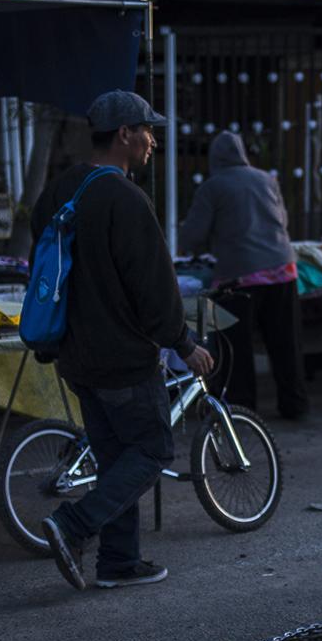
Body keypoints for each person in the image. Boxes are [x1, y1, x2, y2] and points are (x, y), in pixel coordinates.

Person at [34, 90, 216, 592]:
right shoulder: (126, 200)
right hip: (122, 358)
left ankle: (118, 560)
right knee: (153, 449)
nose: (153, 141)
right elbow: (154, 288)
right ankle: (74, 524)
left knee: (117, 458)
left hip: (75, 356)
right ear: (124, 135)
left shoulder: (59, 191)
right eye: (147, 131)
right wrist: (183, 342)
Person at [178, 131, 308, 420]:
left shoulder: (213, 187)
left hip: (240, 277)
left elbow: (193, 234)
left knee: (237, 348)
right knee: (286, 343)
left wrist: (187, 241)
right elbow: (282, 220)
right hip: (283, 270)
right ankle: (295, 405)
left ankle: (243, 409)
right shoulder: (266, 179)